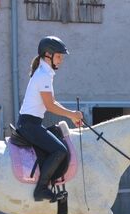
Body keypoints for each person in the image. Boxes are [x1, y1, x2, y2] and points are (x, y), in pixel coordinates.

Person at [17, 36, 84, 202]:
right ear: (48, 55)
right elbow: (50, 106)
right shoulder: (43, 76)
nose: (61, 60)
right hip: (29, 125)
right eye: (59, 56)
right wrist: (72, 115)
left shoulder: (44, 73)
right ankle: (40, 189)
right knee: (60, 150)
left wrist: (72, 115)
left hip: (32, 123)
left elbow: (52, 101)